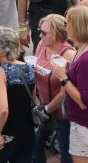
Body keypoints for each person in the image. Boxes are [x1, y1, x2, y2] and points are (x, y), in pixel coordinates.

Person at [52, 6, 88, 163]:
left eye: (68, 24)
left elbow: (83, 102)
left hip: (86, 125)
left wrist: (62, 76)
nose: (66, 27)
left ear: (77, 27)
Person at [0, 27, 37, 162]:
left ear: (3, 50)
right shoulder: (28, 68)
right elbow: (31, 99)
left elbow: (2, 109)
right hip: (25, 132)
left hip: (5, 133)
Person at [33, 14, 76, 163]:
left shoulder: (69, 55)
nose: (40, 35)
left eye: (44, 32)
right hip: (45, 108)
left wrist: (47, 109)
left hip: (64, 112)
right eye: (40, 30)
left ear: (57, 34)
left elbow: (66, 92)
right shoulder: (41, 45)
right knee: (36, 147)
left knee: (66, 154)